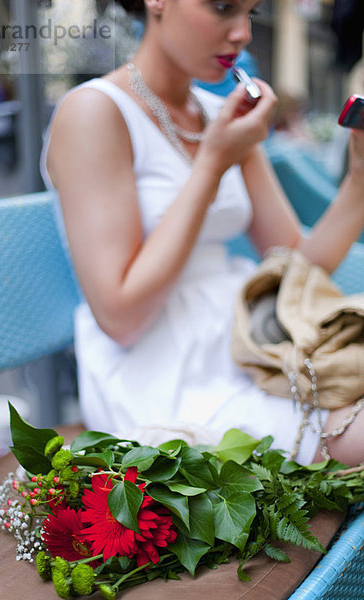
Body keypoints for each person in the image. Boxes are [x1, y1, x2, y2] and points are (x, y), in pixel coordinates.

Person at [41, 0, 364, 466]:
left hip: (254, 350)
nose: (242, 34)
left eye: (250, 13)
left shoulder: (222, 114)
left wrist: (358, 179)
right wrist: (212, 164)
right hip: (161, 373)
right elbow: (121, 315)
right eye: (222, 8)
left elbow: (296, 267)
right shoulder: (94, 112)